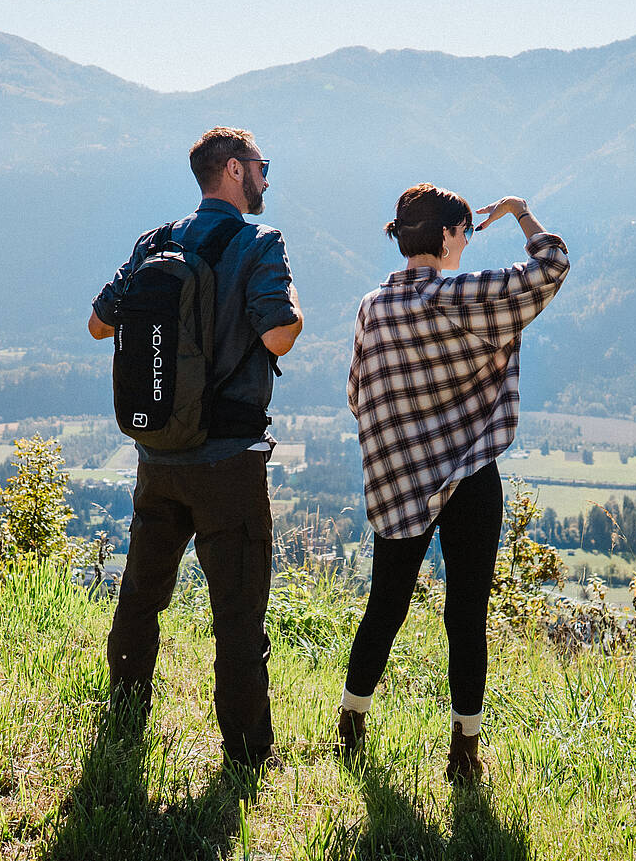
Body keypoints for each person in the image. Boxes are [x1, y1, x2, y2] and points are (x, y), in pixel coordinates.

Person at [88, 127, 303, 768]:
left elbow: (98, 324)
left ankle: (124, 715)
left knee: (141, 595)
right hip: (228, 462)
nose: (265, 176)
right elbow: (280, 335)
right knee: (237, 612)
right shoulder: (259, 242)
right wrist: (295, 303)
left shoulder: (153, 242)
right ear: (234, 169)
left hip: (158, 455)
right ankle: (246, 753)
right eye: (260, 165)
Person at [337, 186, 569, 780]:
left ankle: (351, 721)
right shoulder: (465, 296)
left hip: (399, 477)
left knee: (385, 603)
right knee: (466, 614)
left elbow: (359, 393)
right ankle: (465, 751)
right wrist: (519, 212)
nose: (466, 241)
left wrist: (404, 438)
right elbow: (551, 265)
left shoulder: (373, 306)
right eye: (464, 231)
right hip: (470, 473)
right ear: (444, 235)